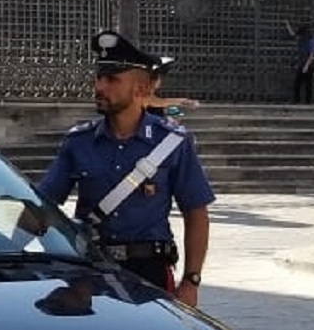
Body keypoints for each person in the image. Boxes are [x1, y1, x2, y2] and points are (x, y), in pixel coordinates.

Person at [37, 30, 214, 306]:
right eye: (99, 77)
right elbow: (43, 208)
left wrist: (191, 281)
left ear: (141, 89)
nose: (99, 87)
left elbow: (196, 214)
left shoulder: (173, 143)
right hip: (89, 275)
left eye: (112, 80)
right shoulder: (77, 142)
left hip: (150, 274)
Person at [144, 55, 200, 123]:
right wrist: (183, 102)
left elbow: (163, 103)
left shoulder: (156, 94)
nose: (160, 81)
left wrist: (175, 115)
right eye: (158, 78)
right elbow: (157, 102)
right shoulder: (143, 94)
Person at [289, 22, 314, 104]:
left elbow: (311, 55)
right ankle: (296, 100)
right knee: (297, 83)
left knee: (308, 84)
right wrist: (287, 24)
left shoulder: (310, 41)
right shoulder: (301, 39)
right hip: (301, 63)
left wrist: (306, 66)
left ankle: (308, 101)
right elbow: (293, 34)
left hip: (308, 64)